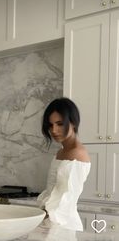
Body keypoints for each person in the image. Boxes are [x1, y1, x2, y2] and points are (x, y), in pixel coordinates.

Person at [37, 97, 91, 231]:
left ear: (73, 123)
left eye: (60, 123)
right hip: (49, 221)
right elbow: (52, 192)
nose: (54, 130)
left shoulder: (77, 154)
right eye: (50, 125)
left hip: (63, 223)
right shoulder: (61, 152)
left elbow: (67, 200)